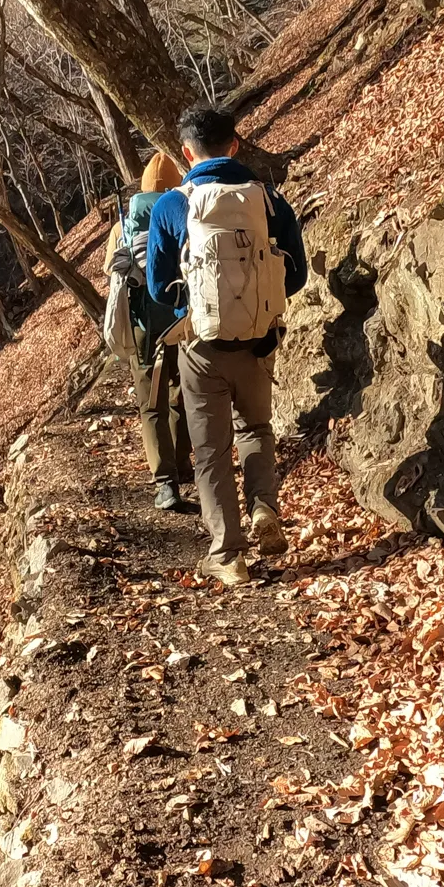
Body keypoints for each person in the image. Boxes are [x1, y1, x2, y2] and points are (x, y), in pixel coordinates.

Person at [146, 105, 308, 587]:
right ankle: (264, 508)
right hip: (259, 340)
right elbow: (296, 274)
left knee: (211, 448)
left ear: (185, 153)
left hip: (200, 344)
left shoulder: (171, 206)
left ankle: (228, 554)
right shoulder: (270, 199)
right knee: (256, 427)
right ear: (235, 145)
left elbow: (158, 288)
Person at [104, 153, 194, 510]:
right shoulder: (181, 209)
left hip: (144, 324)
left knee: (150, 403)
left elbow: (110, 272)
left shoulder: (123, 225)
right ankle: (184, 463)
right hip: (183, 319)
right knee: (183, 391)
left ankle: (165, 483)